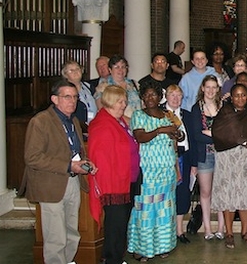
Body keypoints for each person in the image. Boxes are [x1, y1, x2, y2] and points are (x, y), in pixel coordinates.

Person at [21, 80, 97, 264]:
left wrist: (85, 163)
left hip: (72, 182)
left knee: (72, 233)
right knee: (56, 238)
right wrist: (68, 166)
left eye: (75, 97)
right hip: (50, 185)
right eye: (67, 97)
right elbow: (32, 157)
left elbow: (75, 150)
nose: (72, 101)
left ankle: (68, 261)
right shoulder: (40, 121)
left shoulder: (73, 121)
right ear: (54, 99)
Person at [128, 81, 183, 261]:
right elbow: (140, 136)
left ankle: (162, 245)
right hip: (148, 171)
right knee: (145, 208)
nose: (150, 98)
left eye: (154, 95)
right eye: (146, 95)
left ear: (160, 97)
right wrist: (160, 130)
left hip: (167, 170)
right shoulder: (138, 115)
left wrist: (176, 134)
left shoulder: (168, 114)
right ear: (142, 98)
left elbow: (178, 134)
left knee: (164, 209)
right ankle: (141, 248)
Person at [88, 85, 138, 264]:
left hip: (127, 181)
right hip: (114, 187)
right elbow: (101, 160)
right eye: (120, 101)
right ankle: (111, 260)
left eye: (124, 101)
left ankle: (117, 257)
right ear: (109, 101)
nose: (124, 105)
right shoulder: (103, 125)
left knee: (121, 225)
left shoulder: (118, 121)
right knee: (115, 226)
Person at [211, 84, 247, 249]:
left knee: (245, 197)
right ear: (231, 97)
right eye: (236, 95)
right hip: (228, 160)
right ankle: (229, 233)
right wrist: (240, 140)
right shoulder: (224, 113)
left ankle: (245, 232)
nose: (240, 99)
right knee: (229, 197)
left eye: (243, 95)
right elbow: (218, 133)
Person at [186, 75, 225, 241]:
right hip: (205, 155)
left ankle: (222, 227)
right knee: (206, 192)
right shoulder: (197, 108)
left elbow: (228, 133)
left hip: (223, 155)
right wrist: (218, 136)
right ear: (202, 88)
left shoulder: (224, 107)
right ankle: (208, 228)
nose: (210, 90)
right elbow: (196, 136)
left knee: (221, 192)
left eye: (213, 87)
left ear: (217, 89)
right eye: (207, 87)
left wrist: (211, 133)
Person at [164, 84, 194, 244]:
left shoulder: (187, 115)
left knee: (182, 194)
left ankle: (179, 230)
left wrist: (194, 163)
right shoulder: (161, 114)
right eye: (172, 95)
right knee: (167, 194)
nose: (176, 99)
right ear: (166, 97)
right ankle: (166, 230)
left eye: (178, 96)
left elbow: (193, 140)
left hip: (185, 157)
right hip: (166, 159)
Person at [94, 54, 142, 124]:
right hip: (117, 124)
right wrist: (129, 122)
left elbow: (143, 105)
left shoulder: (134, 84)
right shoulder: (103, 86)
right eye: (117, 67)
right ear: (110, 69)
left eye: (123, 67)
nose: (120, 70)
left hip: (138, 125)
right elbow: (103, 109)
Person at [62, 60, 98, 127]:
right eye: (71, 70)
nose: (75, 72)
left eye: (77, 69)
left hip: (94, 125)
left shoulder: (88, 86)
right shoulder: (64, 91)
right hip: (78, 128)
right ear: (65, 75)